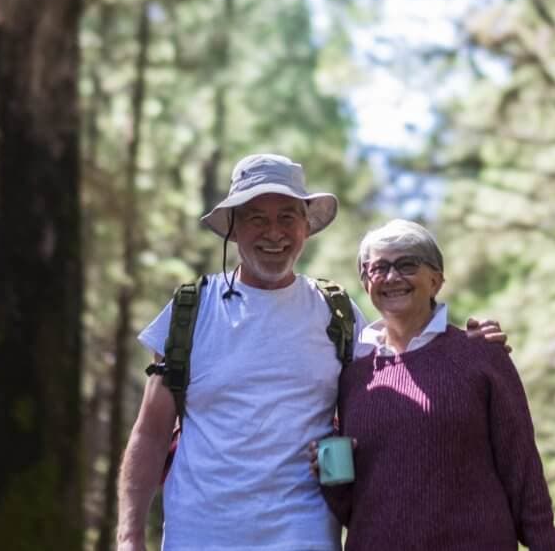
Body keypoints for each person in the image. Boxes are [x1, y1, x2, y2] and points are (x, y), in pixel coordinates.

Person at [116, 154, 506, 551]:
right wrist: (129, 536)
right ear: (233, 228)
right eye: (256, 218)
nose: (274, 233)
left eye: (287, 217)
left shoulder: (334, 311)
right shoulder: (191, 311)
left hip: (304, 536)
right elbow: (150, 432)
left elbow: (405, 360)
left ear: (306, 226)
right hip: (199, 535)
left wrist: (466, 343)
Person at [310, 219, 555, 550]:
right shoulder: (354, 376)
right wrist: (330, 478)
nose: (391, 277)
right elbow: (358, 504)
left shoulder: (480, 356)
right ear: (366, 281)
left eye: (407, 264)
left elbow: (523, 471)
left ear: (436, 280)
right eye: (378, 268)